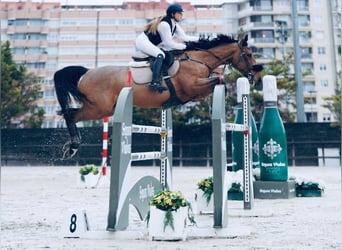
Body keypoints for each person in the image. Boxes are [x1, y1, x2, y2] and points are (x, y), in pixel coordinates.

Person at [135, 3, 198, 93]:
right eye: (179, 13)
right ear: (172, 14)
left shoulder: (174, 24)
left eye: (182, 13)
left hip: (153, 43)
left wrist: (200, 40)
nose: (181, 15)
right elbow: (169, 44)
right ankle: (154, 82)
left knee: (167, 55)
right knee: (160, 55)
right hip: (143, 42)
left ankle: (163, 77)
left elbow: (185, 38)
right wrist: (185, 46)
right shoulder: (165, 24)